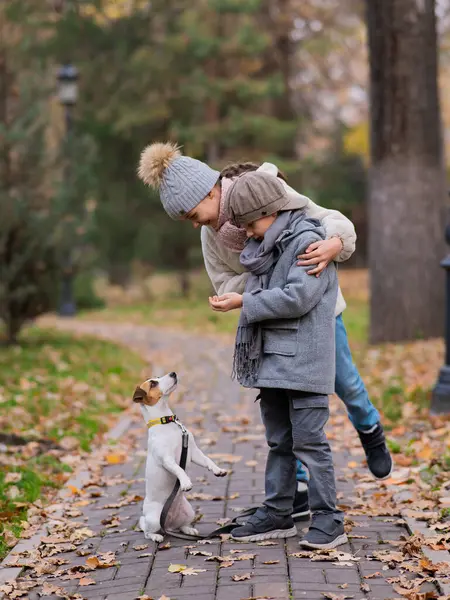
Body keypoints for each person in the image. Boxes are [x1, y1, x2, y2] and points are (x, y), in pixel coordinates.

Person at [137, 142, 392, 521]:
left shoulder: (266, 192)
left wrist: (334, 243)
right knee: (287, 403)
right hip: (268, 319)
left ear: (211, 191)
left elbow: (328, 219)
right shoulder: (210, 236)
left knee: (345, 382)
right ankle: (300, 487)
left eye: (194, 214)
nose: (195, 224)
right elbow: (224, 282)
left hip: (315, 312)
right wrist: (259, 289)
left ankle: (369, 428)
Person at [206, 169, 347, 547]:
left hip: (304, 363)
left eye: (251, 223)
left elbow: (297, 297)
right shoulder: (264, 249)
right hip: (272, 362)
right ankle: (278, 512)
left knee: (310, 444)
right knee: (279, 442)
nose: (248, 233)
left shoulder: (308, 242)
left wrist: (244, 302)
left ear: (272, 210)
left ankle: (329, 518)